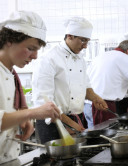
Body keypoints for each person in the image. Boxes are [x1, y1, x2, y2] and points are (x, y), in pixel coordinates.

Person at [32, 16, 108, 144]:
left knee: (79, 157)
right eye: (83, 41)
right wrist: (68, 123)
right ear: (70, 36)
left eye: (87, 41)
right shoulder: (49, 59)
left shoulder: (80, 59)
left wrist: (95, 98)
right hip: (53, 122)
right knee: (55, 161)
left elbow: (85, 85)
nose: (85, 46)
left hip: (76, 119)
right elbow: (44, 101)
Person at [0, 11, 60, 164]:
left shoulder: (11, 73)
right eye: (31, 48)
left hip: (8, 160)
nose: (35, 56)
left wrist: (20, 118)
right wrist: (31, 113)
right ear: (9, 40)